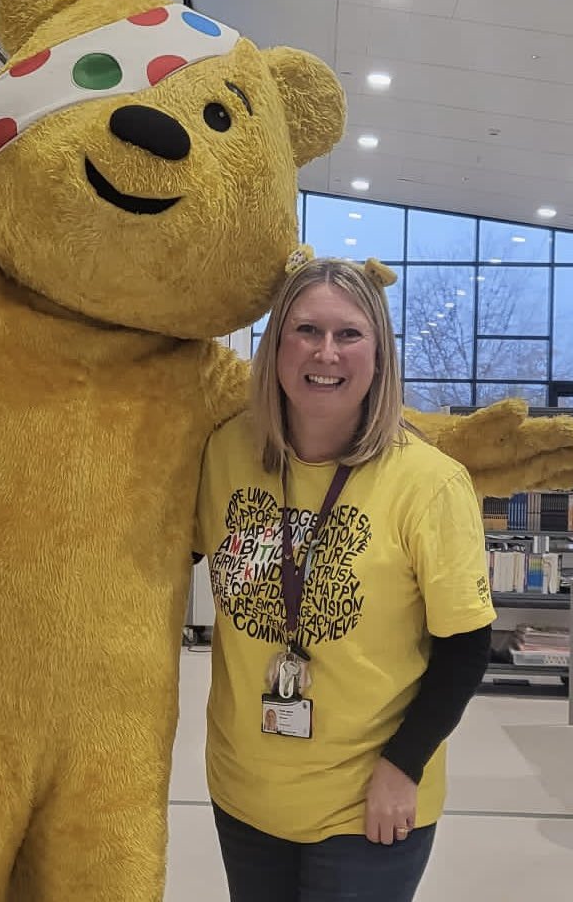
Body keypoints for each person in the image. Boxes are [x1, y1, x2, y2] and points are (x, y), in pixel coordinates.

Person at [194, 252, 496, 902]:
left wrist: (402, 765)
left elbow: (465, 645)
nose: (324, 352)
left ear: (378, 353)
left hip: (367, 802)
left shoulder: (428, 482)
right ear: (274, 347)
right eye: (305, 330)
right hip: (245, 791)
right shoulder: (225, 452)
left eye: (348, 333)